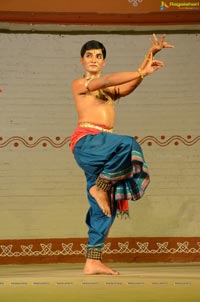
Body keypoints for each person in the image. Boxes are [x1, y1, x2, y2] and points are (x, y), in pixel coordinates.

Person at [70, 34, 174, 275]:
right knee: (127, 144)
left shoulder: (109, 92)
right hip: (88, 143)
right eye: (89, 55)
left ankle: (92, 261)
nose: (94, 59)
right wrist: (141, 71)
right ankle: (102, 184)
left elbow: (126, 87)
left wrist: (148, 60)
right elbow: (108, 80)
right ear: (82, 61)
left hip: (104, 150)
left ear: (104, 60)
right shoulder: (79, 84)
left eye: (98, 56)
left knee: (106, 208)